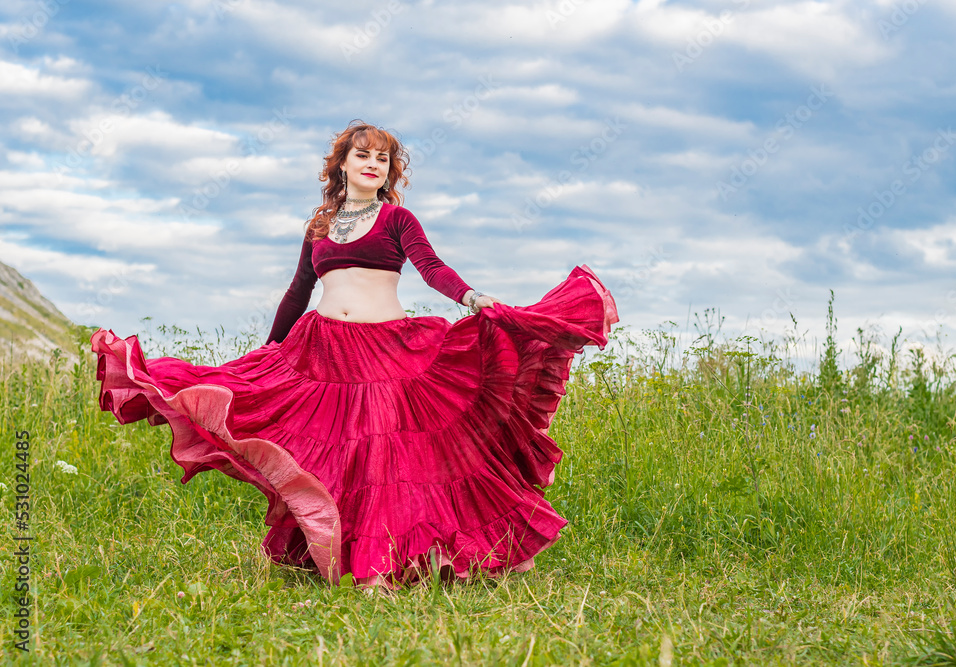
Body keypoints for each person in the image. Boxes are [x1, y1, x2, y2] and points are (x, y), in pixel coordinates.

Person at [91, 120, 619, 589]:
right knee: (339, 459)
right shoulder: (319, 226)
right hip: (322, 352)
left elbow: (432, 268)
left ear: (389, 171)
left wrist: (473, 298)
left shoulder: (397, 220)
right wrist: (267, 353)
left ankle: (383, 568)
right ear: (341, 164)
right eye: (362, 155)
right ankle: (352, 555)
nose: (373, 164)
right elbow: (297, 292)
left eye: (382, 158)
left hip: (388, 351)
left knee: (387, 461)